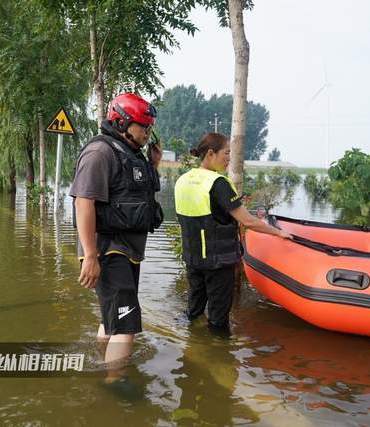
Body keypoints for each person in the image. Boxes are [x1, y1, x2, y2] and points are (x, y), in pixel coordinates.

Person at [69, 93, 163, 380]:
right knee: (127, 324)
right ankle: (114, 383)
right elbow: (82, 202)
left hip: (127, 250)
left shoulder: (131, 153)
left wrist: (154, 164)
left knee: (114, 316)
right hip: (108, 250)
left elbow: (139, 195)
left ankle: (102, 364)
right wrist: (90, 256)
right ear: (122, 123)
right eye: (143, 127)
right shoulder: (100, 153)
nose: (148, 133)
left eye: (149, 128)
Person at [174, 133, 291, 331]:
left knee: (193, 311)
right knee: (218, 321)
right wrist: (279, 233)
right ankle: (220, 356)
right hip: (217, 262)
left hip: (193, 258)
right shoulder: (218, 183)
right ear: (210, 153)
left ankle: (189, 348)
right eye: (226, 153)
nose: (229, 158)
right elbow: (248, 221)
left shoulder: (183, 180)